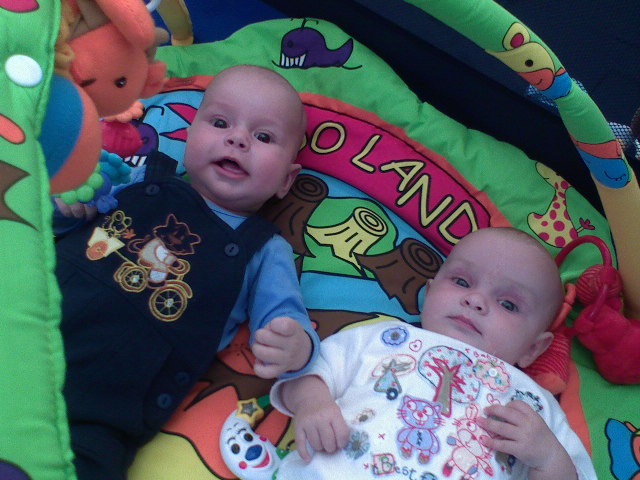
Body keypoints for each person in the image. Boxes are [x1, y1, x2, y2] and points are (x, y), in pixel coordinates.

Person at [54, 64, 320, 480]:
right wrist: (70, 207)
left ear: (286, 181)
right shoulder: (138, 177)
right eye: (220, 123)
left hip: (111, 398)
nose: (238, 139)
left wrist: (296, 346)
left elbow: (286, 318)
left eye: (264, 137)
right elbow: (57, 224)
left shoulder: (265, 249)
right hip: (33, 320)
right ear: (190, 135)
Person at [269, 227, 597, 480]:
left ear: (533, 348)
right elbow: (309, 368)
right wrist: (313, 404)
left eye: (508, 304)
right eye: (462, 282)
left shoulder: (533, 404)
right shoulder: (385, 338)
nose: (476, 300)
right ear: (430, 292)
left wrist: (548, 458)